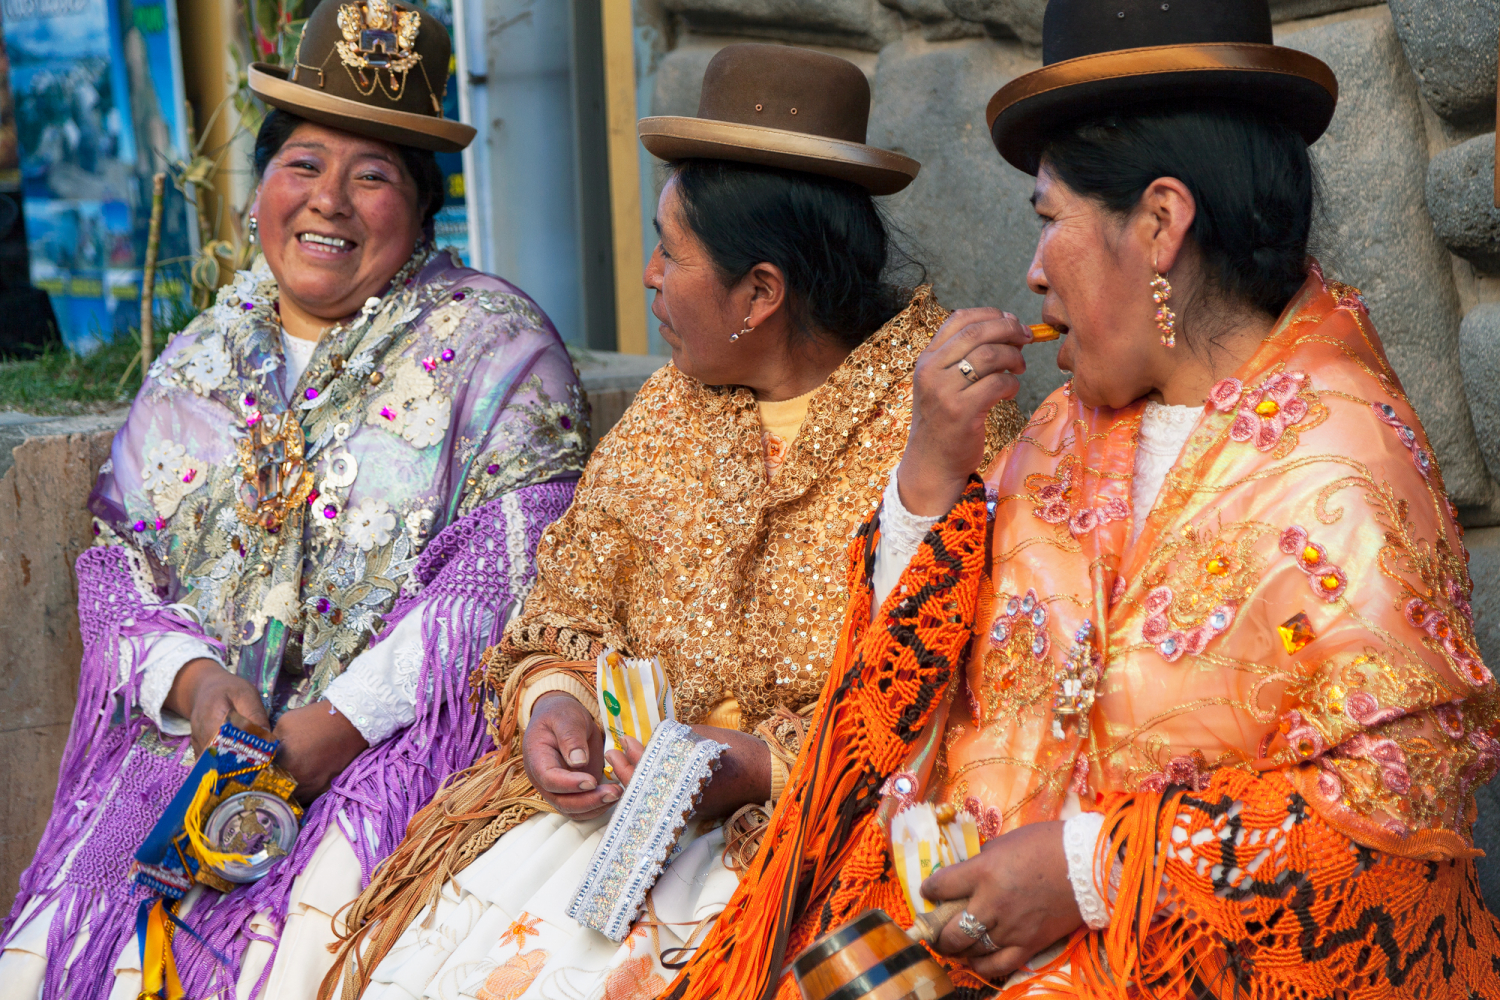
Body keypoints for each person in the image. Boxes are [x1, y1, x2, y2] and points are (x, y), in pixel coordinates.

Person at [664, 2, 1500, 998]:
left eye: (1049, 221)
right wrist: (929, 475)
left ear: (1159, 223)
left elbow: (1399, 817)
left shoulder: (1347, 466)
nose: (1030, 271)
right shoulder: (1065, 433)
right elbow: (898, 703)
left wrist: (1088, 870)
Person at [326, 43, 1024, 1000]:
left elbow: (962, 701)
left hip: (812, 844)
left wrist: (763, 766)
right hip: (609, 821)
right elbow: (556, 615)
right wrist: (552, 705)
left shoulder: (949, 436)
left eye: (673, 251)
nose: (649, 275)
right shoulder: (668, 410)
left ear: (762, 293)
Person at [0, 4, 586, 998]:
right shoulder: (201, 359)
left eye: (373, 175)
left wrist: (339, 724)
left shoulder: (499, 348)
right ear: (262, 186)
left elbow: (500, 578)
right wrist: (193, 683)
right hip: (190, 764)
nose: (330, 203)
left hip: (391, 759)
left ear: (424, 207)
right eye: (302, 165)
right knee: (43, 964)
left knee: (292, 964)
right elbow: (117, 572)